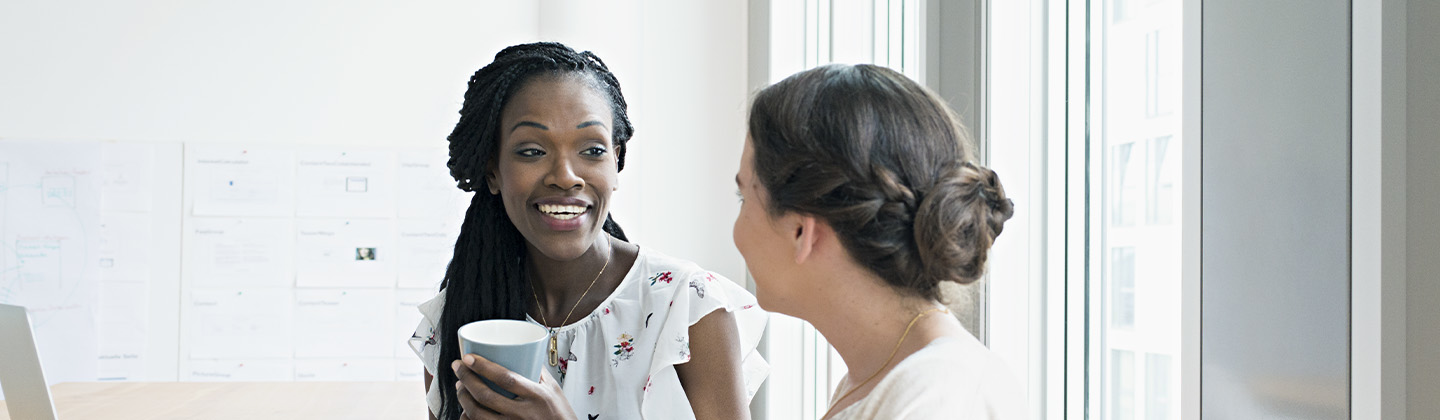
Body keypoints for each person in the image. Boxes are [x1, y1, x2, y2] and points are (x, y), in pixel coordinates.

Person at [410, 42, 767, 420]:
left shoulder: (689, 309)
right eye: (532, 151)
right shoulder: (458, 316)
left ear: (617, 161)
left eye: (592, 150)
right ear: (493, 171)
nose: (565, 176)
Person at [733, 64, 1024, 419]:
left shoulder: (936, 396)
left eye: (744, 197)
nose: (736, 232)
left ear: (801, 232)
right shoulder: (879, 380)